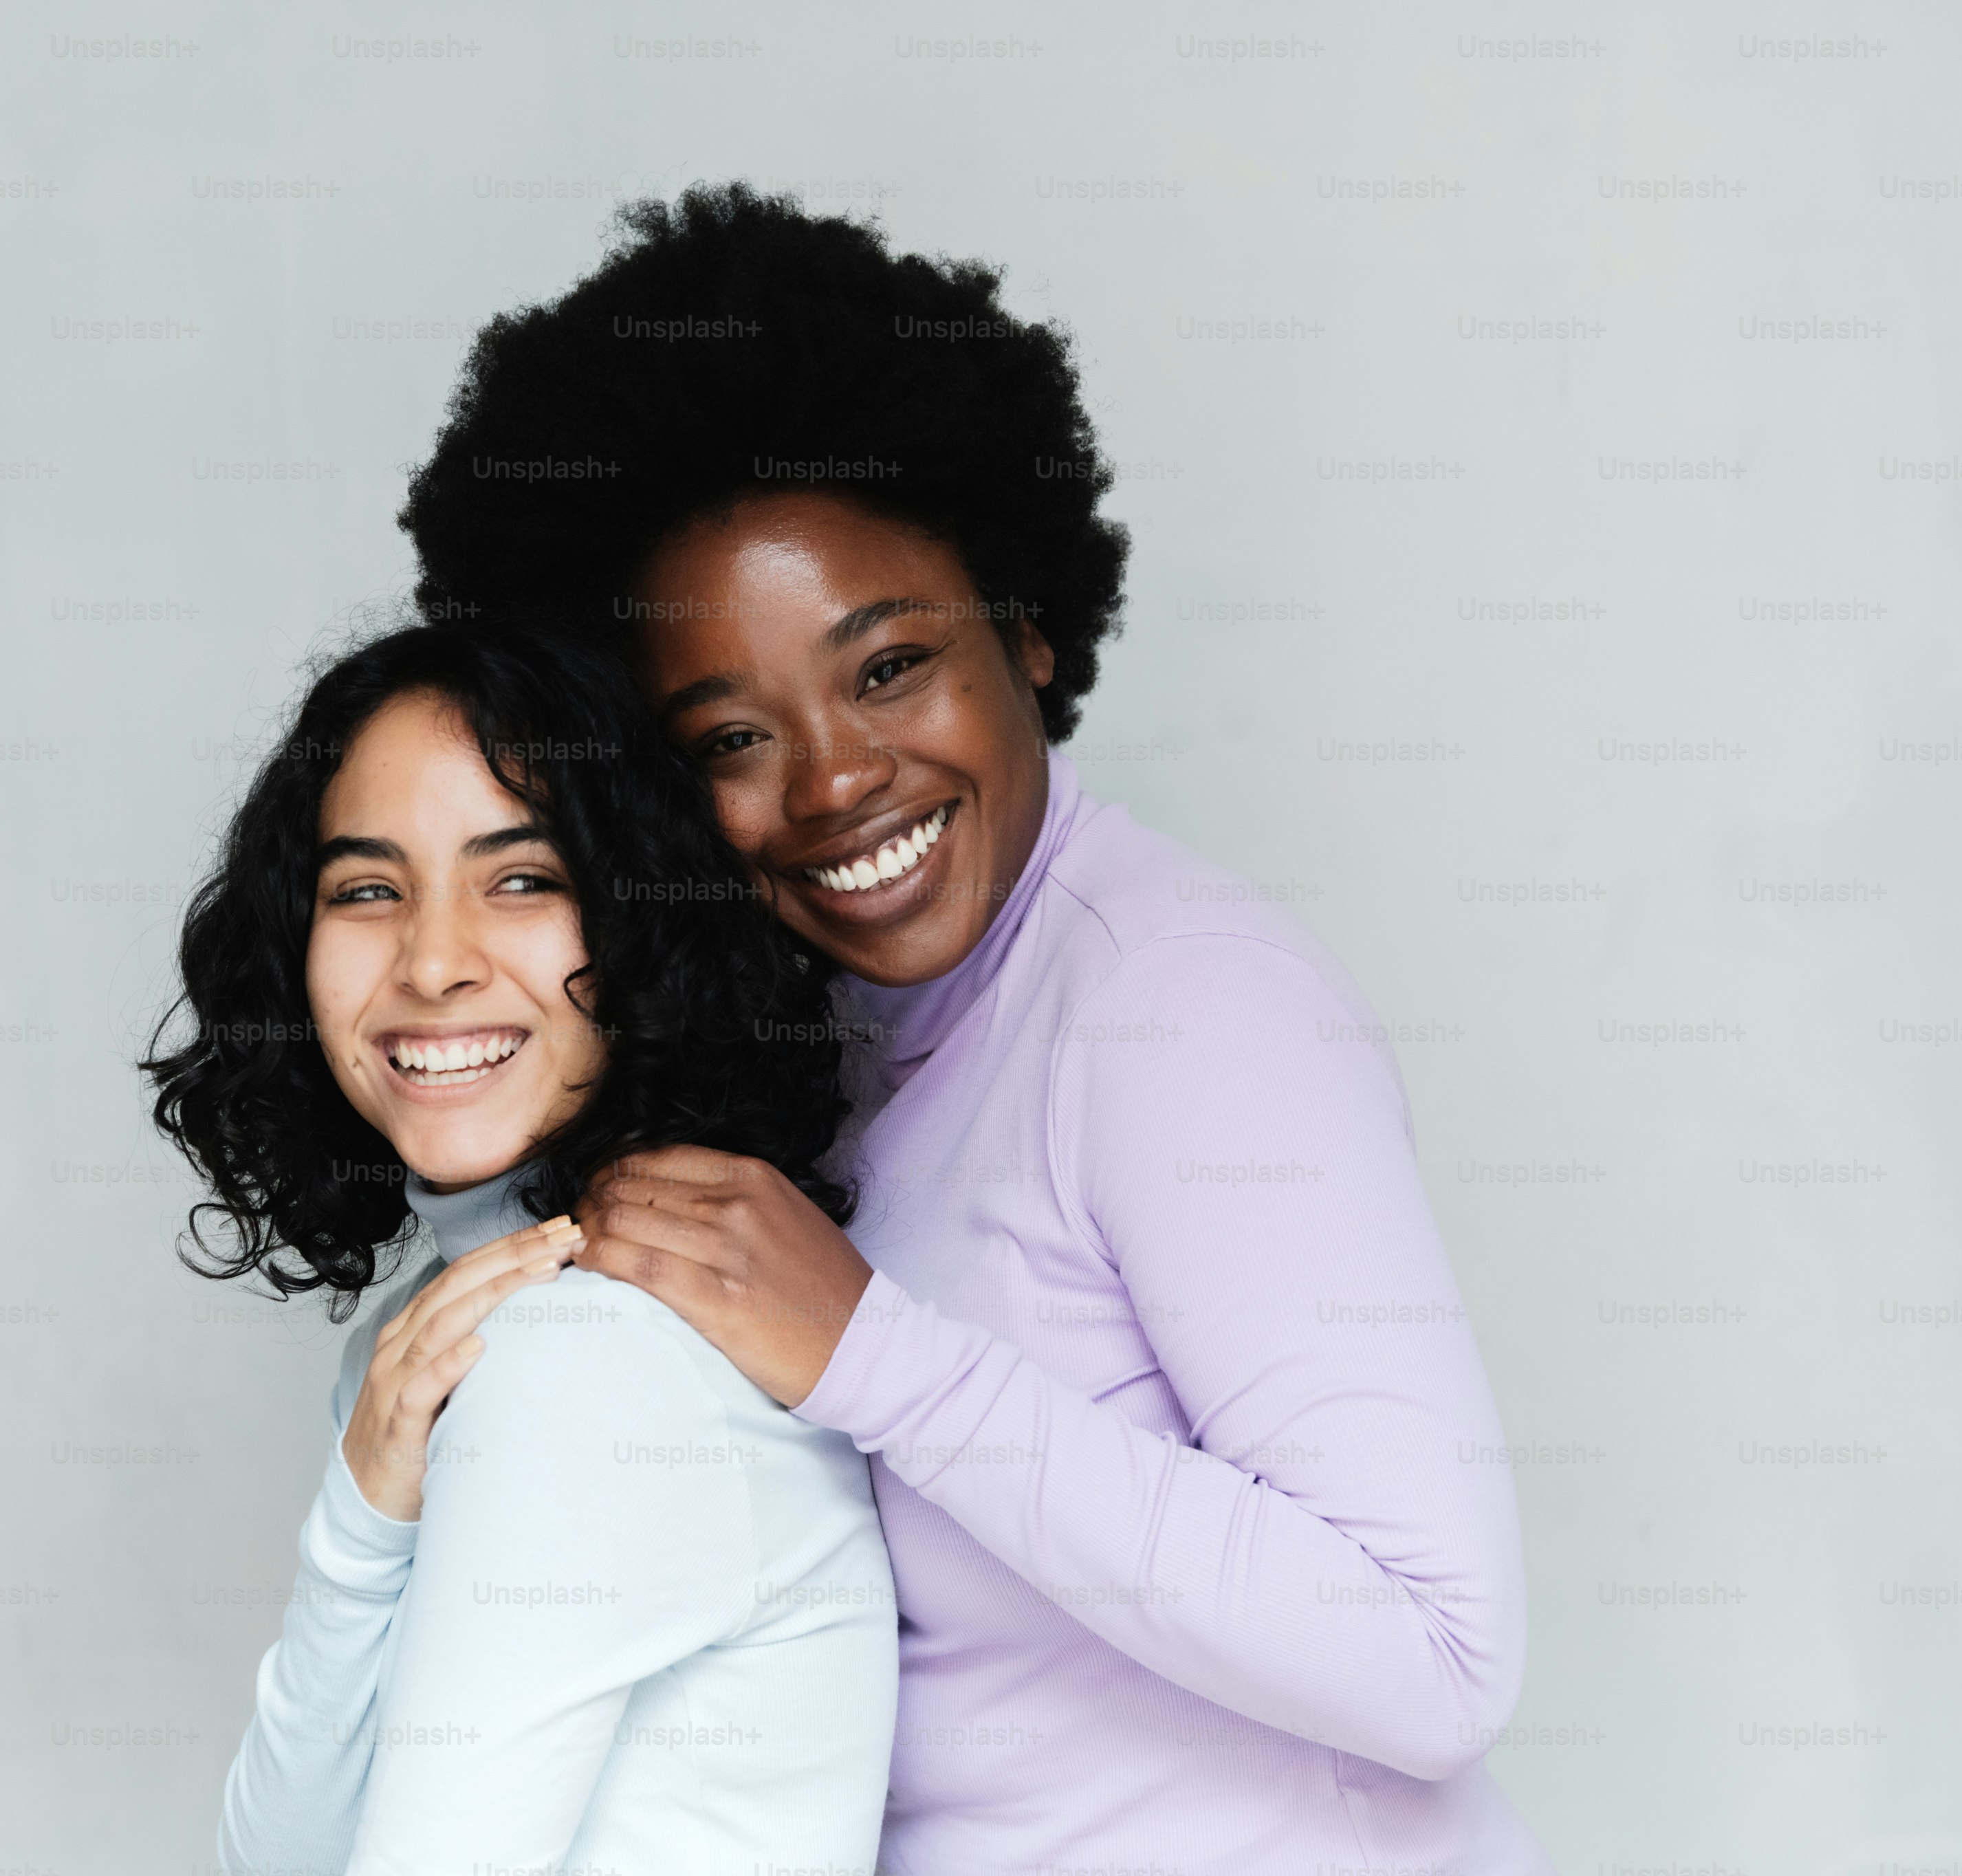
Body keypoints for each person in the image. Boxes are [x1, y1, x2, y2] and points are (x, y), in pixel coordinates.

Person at [400, 186, 1552, 1872]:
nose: (835, 780)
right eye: (730, 735)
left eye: (888, 668)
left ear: (1028, 627)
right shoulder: (828, 1039)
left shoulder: (1180, 1000)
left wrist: (876, 1351)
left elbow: (1438, 1657)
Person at [142, 622, 897, 1875]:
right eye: (368, 890)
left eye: (523, 879)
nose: (434, 963)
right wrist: (360, 1522)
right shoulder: (454, 1335)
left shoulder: (588, 1354)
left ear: (642, 922)